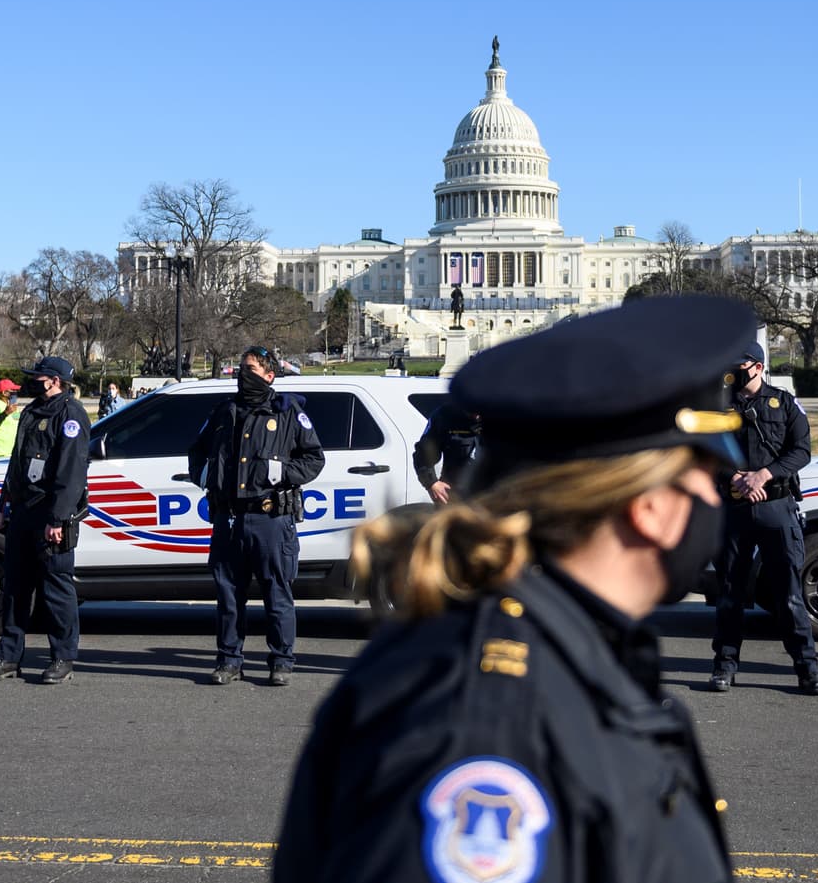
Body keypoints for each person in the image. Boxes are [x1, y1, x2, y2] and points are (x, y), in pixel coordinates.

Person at [273, 295, 751, 883]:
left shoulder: (567, 651)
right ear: (650, 507)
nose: (716, 500)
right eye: (708, 476)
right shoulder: (491, 723)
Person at [188, 344, 325, 687]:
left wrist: (276, 474)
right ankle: (229, 660)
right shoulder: (224, 411)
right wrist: (208, 478)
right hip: (229, 519)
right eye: (241, 369)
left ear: (269, 375)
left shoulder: (288, 411)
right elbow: (197, 452)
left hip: (270, 519)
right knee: (229, 596)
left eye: (250, 370)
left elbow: (313, 459)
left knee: (276, 594)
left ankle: (281, 661)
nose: (243, 376)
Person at [709, 341, 818, 695]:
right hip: (734, 507)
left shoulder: (784, 403)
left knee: (788, 593)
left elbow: (801, 450)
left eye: (739, 364)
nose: (733, 370)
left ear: (757, 367)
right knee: (731, 591)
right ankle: (724, 667)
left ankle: (807, 670)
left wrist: (764, 475)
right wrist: (737, 479)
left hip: (776, 506)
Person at [0, 356, 91, 684]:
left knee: (56, 589)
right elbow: (17, 463)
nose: (32, 381)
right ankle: (9, 656)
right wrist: (3, 503)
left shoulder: (70, 414)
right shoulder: (30, 411)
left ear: (55, 380)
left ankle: (62, 657)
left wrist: (57, 519)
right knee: (15, 588)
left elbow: (71, 473)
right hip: (23, 512)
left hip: (51, 514)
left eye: (38, 377)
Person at [412, 402, 481, 504]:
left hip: (495, 494)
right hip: (455, 494)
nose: (477, 416)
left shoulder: (504, 414)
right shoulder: (444, 416)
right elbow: (423, 453)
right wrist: (432, 483)